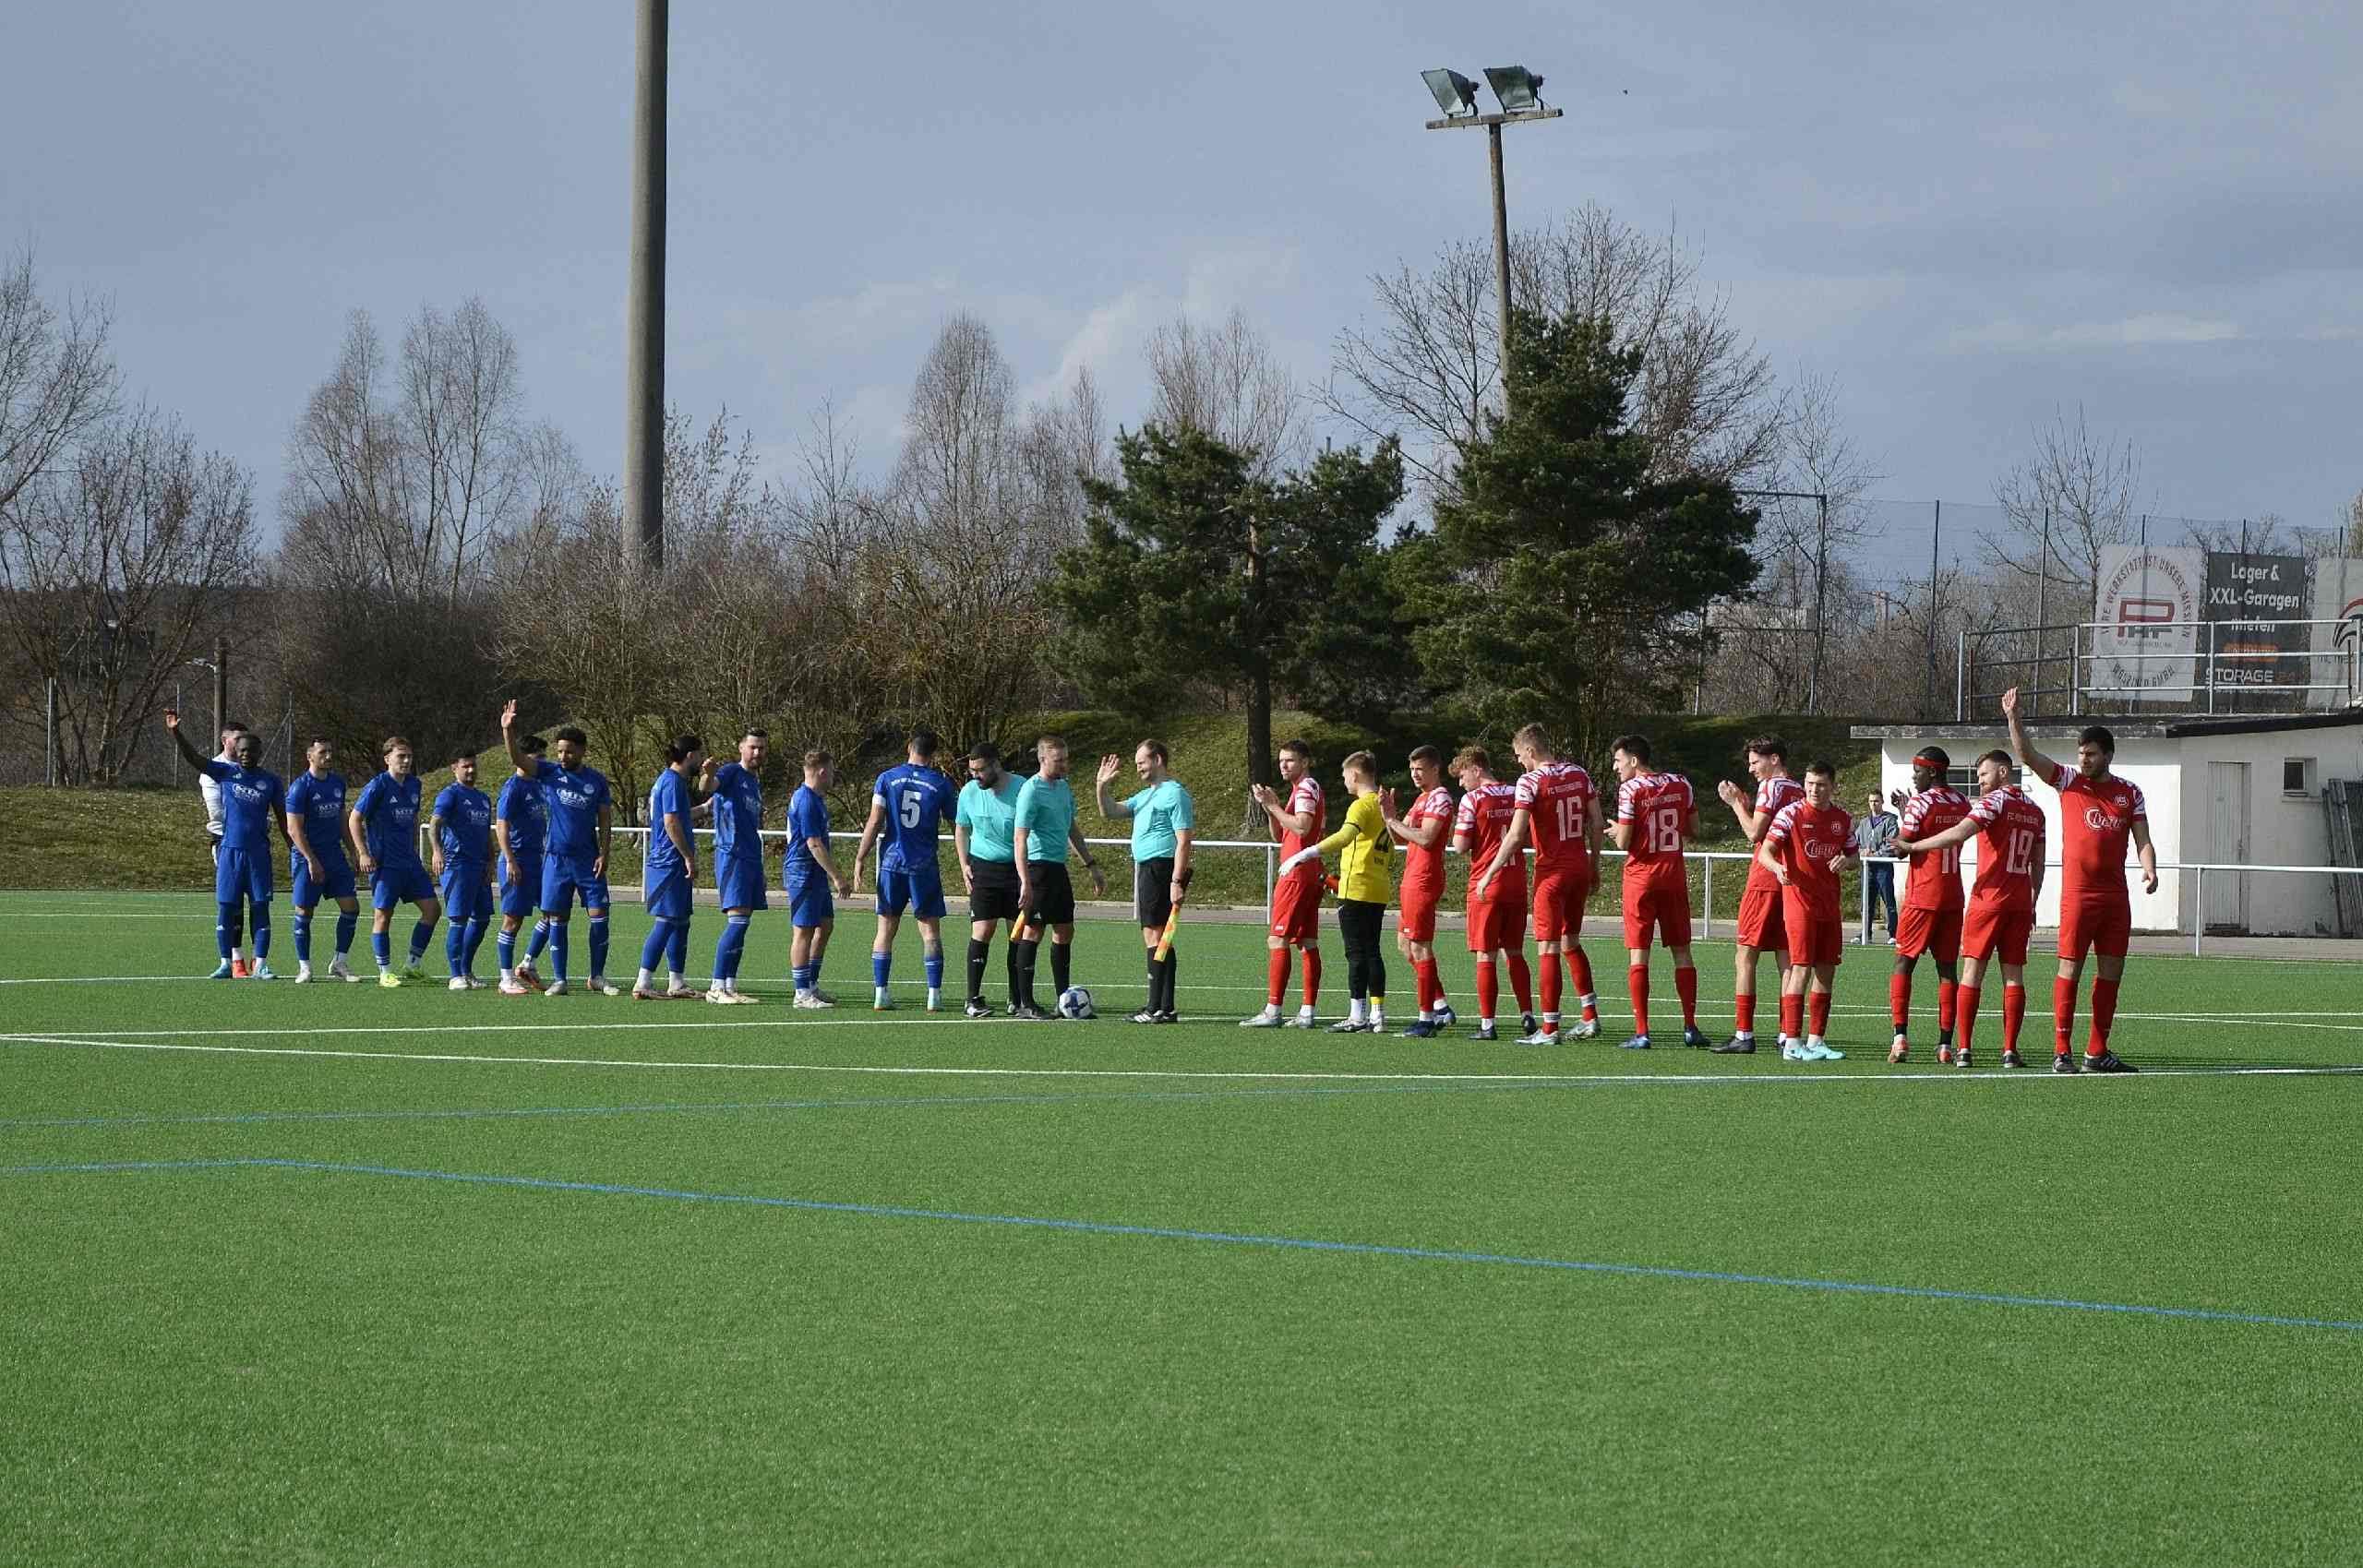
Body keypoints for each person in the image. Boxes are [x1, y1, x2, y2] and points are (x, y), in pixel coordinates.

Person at [2002, 687, 2155, 1073]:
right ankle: (2061, 1052)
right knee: (2069, 969)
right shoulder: (2069, 781)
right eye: (2081, 754)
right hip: (2079, 896)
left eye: (2091, 754)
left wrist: (2149, 867)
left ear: (2108, 755)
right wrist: (2014, 718)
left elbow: (2143, 839)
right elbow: (2028, 756)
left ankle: (2096, 1052)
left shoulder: (2129, 793)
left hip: (2114, 898)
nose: (2083, 760)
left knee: (2111, 973)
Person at [1894, 748, 2046, 1069]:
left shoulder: (1991, 803)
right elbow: (2038, 862)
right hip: (2015, 901)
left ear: (2003, 772)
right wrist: (2033, 901)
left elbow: (1956, 834)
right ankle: (2008, 1051)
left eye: (1984, 775)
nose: (1980, 783)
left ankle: (1960, 1048)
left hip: (1981, 898)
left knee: (1964, 971)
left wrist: (1913, 844)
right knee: (2012, 976)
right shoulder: (2035, 811)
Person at [1478, 724, 1602, 1044]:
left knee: (1548, 947)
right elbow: (1597, 822)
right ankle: (1589, 1016)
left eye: (1519, 755)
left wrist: (1490, 872)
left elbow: (1516, 835)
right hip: (1579, 867)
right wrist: (1594, 865)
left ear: (1531, 751)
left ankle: (1549, 1029)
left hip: (1551, 873)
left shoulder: (1530, 781)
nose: (1519, 761)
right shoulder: (1578, 773)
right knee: (1570, 941)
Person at [498, 702, 619, 997]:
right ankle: (560, 979)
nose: (563, 757)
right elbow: (517, 758)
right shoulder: (549, 773)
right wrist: (507, 730)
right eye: (560, 751)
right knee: (557, 919)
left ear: (583, 751)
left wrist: (604, 853)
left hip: (588, 860)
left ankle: (597, 976)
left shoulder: (596, 781)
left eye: (569, 752)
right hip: (555, 860)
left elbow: (605, 821)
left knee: (599, 915)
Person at [164, 710, 287, 980]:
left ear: (259, 753)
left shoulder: (271, 781)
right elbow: (194, 758)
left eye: (250, 750)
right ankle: (225, 963)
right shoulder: (225, 772)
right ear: (235, 752)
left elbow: (282, 819)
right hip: (229, 850)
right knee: (227, 907)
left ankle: (261, 964)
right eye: (241, 750)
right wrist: (176, 732)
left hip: (258, 854)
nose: (245, 755)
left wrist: (294, 848)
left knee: (260, 906)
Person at [1280, 750, 1394, 1033]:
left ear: (1355, 774)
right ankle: (1377, 1014)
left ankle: (1357, 1015)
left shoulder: (1361, 805)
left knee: (1355, 953)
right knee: (1372, 951)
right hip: (1378, 885)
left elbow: (1344, 836)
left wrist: (1304, 854)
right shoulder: (1384, 804)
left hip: (1356, 886)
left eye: (1345, 776)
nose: (1343, 781)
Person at [1610, 735, 1707, 1049]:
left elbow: (1624, 842)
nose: (1615, 767)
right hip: (1673, 876)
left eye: (1618, 761)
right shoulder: (1680, 783)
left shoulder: (1631, 789)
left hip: (1641, 878)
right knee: (1682, 951)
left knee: (1640, 952)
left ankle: (1642, 1032)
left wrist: (1617, 830)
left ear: (1634, 760)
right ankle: (1690, 1027)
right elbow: (1694, 829)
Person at [1758, 760, 1858, 1061]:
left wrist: (1846, 861)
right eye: (1810, 784)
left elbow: (1854, 856)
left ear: (1833, 787)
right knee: (1800, 968)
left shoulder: (1842, 819)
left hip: (1829, 904)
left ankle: (1816, 1041)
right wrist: (1777, 868)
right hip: (1799, 903)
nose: (1815, 790)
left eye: (1821, 785)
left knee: (1826, 970)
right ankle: (1791, 1042)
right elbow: (1765, 852)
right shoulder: (1790, 815)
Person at [854, 730, 954, 1012]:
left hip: (891, 863)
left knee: (885, 929)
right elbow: (956, 823)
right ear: (933, 754)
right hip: (924, 864)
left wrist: (860, 857)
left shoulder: (887, 778)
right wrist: (965, 860)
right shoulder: (941, 783)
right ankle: (934, 995)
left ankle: (880, 993)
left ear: (909, 747)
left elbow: (875, 820)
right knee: (930, 931)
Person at [1713, 736, 1801, 1054]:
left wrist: (1736, 804)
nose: (1751, 769)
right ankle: (1786, 1033)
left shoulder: (1771, 786)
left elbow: (1755, 833)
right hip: (1790, 879)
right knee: (1786, 958)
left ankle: (1744, 1033)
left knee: (1745, 955)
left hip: (1766, 877)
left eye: (1755, 762)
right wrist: (1748, 806)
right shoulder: (1799, 788)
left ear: (1774, 759)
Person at [1097, 739, 1194, 1023]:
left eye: (1142, 762)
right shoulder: (1145, 796)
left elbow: (1184, 840)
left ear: (1158, 760)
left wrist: (1176, 880)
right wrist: (1102, 786)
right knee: (1158, 936)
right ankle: (1164, 1007)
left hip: (1161, 869)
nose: (1138, 768)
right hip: (1148, 870)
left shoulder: (1174, 794)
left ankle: (1155, 1007)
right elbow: (1110, 812)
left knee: (1155, 935)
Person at [1011, 735, 1108, 1018]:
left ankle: (1063, 1000)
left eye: (1066, 758)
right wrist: (1025, 881)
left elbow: (1071, 828)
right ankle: (1025, 1003)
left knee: (1065, 930)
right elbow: (1020, 838)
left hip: (1057, 868)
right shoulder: (1031, 790)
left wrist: (1091, 864)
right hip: (1037, 868)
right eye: (1059, 760)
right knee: (1033, 930)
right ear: (1043, 760)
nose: (1065, 764)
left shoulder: (1064, 788)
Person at [1885, 748, 1971, 1063]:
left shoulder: (1920, 803)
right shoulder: (1962, 802)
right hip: (1952, 895)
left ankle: (1900, 1039)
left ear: (1932, 772)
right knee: (1947, 969)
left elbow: (1902, 848)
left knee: (1903, 963)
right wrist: (1907, 810)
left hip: (1922, 895)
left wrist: (1905, 815)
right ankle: (1945, 1044)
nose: (1913, 777)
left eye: (1917, 771)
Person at [1449, 747, 1536, 1043]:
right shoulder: (1516, 792)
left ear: (1476, 769)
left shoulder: (1473, 799)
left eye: (1463, 775)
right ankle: (1527, 1014)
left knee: (1486, 953)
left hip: (1486, 883)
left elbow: (1460, 845)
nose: (1461, 783)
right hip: (1516, 881)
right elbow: (1528, 834)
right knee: (1514, 951)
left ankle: (1488, 1023)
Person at [1243, 739, 1327, 1028]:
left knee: (1277, 939)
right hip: (1309, 870)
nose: (1283, 765)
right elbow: (1281, 835)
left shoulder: (1305, 788)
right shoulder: (1301, 790)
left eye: (1289, 760)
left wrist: (1275, 807)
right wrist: (1272, 809)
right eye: (1281, 761)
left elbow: (1302, 827)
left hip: (1296, 873)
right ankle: (1307, 1012)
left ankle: (1273, 1009)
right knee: (1307, 942)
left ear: (1305, 762)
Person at [350, 736, 441, 987]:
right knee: (383, 916)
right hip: (385, 863)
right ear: (387, 759)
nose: (407, 761)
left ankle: (412, 965)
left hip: (409, 862)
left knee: (432, 910)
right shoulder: (378, 785)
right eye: (401, 756)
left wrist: (414, 848)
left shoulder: (414, 784)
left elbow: (412, 818)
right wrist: (363, 853)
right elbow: (354, 819)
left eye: (409, 756)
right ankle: (385, 972)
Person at [1381, 745, 1458, 1037]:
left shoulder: (1440, 797)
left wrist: (1393, 821)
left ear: (1435, 769)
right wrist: (1389, 816)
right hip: (1412, 877)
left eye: (1420, 769)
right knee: (1405, 945)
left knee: (1420, 946)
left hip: (1424, 879)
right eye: (1412, 769)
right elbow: (1400, 840)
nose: (1414, 774)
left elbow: (1426, 838)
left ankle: (1426, 1020)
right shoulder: (1421, 798)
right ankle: (1440, 1006)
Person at [954, 742, 1027, 1018]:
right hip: (983, 869)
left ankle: (1016, 998)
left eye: (980, 770)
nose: (975, 776)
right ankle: (972, 999)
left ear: (996, 764)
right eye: (972, 771)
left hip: (1016, 870)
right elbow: (962, 828)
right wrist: (964, 864)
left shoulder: (1022, 788)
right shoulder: (969, 792)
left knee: (1017, 933)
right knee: (982, 930)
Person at [635, 734, 708, 1000]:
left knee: (680, 921)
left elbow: (680, 816)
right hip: (668, 861)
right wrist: (688, 856)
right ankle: (643, 981)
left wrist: (705, 808)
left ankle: (676, 982)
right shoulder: (673, 782)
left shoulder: (668, 781)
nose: (701, 760)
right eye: (699, 754)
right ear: (690, 756)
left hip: (670, 861)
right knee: (666, 921)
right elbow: (671, 822)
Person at [283, 737, 362, 984]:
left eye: (330, 751)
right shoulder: (300, 787)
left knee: (351, 907)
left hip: (334, 855)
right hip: (307, 856)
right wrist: (311, 860)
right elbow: (294, 829)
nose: (328, 756)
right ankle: (305, 967)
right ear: (310, 756)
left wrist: (353, 850)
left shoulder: (337, 783)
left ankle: (339, 962)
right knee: (305, 911)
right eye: (322, 752)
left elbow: (342, 819)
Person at [702, 728, 768, 1004]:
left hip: (751, 857)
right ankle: (716, 987)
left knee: (743, 923)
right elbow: (708, 787)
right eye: (752, 747)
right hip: (733, 855)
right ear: (741, 747)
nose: (757, 752)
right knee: (737, 921)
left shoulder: (754, 782)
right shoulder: (731, 772)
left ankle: (730, 985)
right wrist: (708, 774)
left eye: (762, 748)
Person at [785, 749, 851, 1008]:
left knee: (825, 925)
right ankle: (801, 993)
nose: (833, 776)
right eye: (831, 771)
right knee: (803, 931)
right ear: (822, 771)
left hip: (814, 874)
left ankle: (811, 984)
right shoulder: (806, 800)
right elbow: (813, 843)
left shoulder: (815, 798)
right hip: (802, 872)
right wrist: (837, 876)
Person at [429, 750, 498, 990]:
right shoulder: (450, 795)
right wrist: (437, 851)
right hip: (457, 864)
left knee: (482, 919)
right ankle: (455, 974)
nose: (471, 770)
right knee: (458, 919)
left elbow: (485, 832)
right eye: (466, 766)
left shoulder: (482, 798)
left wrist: (491, 860)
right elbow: (435, 824)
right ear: (454, 768)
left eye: (473, 766)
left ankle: (467, 971)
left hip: (479, 866)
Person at [494, 735, 553, 995]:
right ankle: (505, 978)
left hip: (538, 860)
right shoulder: (513, 788)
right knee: (513, 920)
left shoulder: (539, 785)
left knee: (553, 912)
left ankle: (528, 963)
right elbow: (502, 826)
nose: (542, 762)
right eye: (538, 757)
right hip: (516, 860)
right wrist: (510, 860)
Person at [198, 719, 255, 975]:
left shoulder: (252, 768)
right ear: (224, 741)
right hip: (226, 841)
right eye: (237, 739)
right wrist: (249, 817)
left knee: (259, 900)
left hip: (253, 843)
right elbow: (217, 813)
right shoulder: (213, 771)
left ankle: (259, 959)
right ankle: (235, 958)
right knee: (234, 900)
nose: (243, 745)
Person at [1857, 791, 1901, 942]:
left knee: (1889, 901)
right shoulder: (1864, 823)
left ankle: (1893, 934)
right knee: (1866, 902)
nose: (1873, 804)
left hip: (1883, 867)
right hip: (1868, 868)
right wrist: (1862, 852)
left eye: (1876, 801)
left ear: (1882, 802)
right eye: (1871, 801)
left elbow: (1891, 844)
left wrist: (1875, 854)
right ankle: (1866, 933)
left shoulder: (1890, 821)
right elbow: (1856, 842)